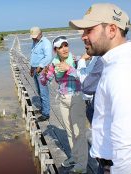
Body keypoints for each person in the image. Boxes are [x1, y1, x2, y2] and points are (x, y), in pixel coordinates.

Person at [69, 3, 131, 174]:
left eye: (89, 30)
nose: (83, 36)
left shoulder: (121, 71)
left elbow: (125, 139)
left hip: (126, 165)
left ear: (112, 30)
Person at [40, 36, 88, 173]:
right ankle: (75, 157)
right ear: (55, 50)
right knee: (69, 132)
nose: (65, 49)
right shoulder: (53, 64)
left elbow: (84, 76)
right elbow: (45, 82)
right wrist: (44, 74)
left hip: (77, 98)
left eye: (66, 45)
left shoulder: (75, 60)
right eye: (61, 47)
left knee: (79, 132)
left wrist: (69, 68)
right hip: (63, 99)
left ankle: (82, 166)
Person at [29, 27, 52, 122]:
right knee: (39, 91)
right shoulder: (35, 42)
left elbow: (48, 57)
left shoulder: (45, 43)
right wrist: (31, 68)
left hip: (41, 70)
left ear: (40, 34)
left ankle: (46, 114)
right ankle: (43, 109)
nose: (33, 38)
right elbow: (33, 56)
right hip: (35, 69)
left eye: (35, 36)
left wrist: (40, 66)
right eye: (33, 37)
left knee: (44, 92)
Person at [77, 54, 103, 124]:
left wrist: (82, 60)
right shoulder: (96, 57)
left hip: (95, 107)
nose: (86, 44)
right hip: (91, 104)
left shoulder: (101, 58)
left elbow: (86, 83)